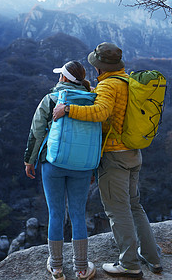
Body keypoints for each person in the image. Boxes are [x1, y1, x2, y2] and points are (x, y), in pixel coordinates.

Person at [53, 43, 163, 279]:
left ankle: (129, 264)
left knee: (117, 210)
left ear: (101, 67)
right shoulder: (125, 80)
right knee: (134, 205)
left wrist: (67, 109)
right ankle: (152, 257)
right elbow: (111, 105)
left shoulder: (108, 85)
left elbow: (101, 112)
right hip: (134, 152)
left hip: (115, 155)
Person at [24, 61, 96, 280]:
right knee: (77, 214)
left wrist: (30, 160)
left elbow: (36, 131)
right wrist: (93, 164)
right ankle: (82, 268)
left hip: (53, 162)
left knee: (56, 213)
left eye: (60, 75)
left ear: (64, 78)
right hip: (83, 165)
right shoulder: (93, 100)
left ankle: (56, 268)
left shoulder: (51, 99)